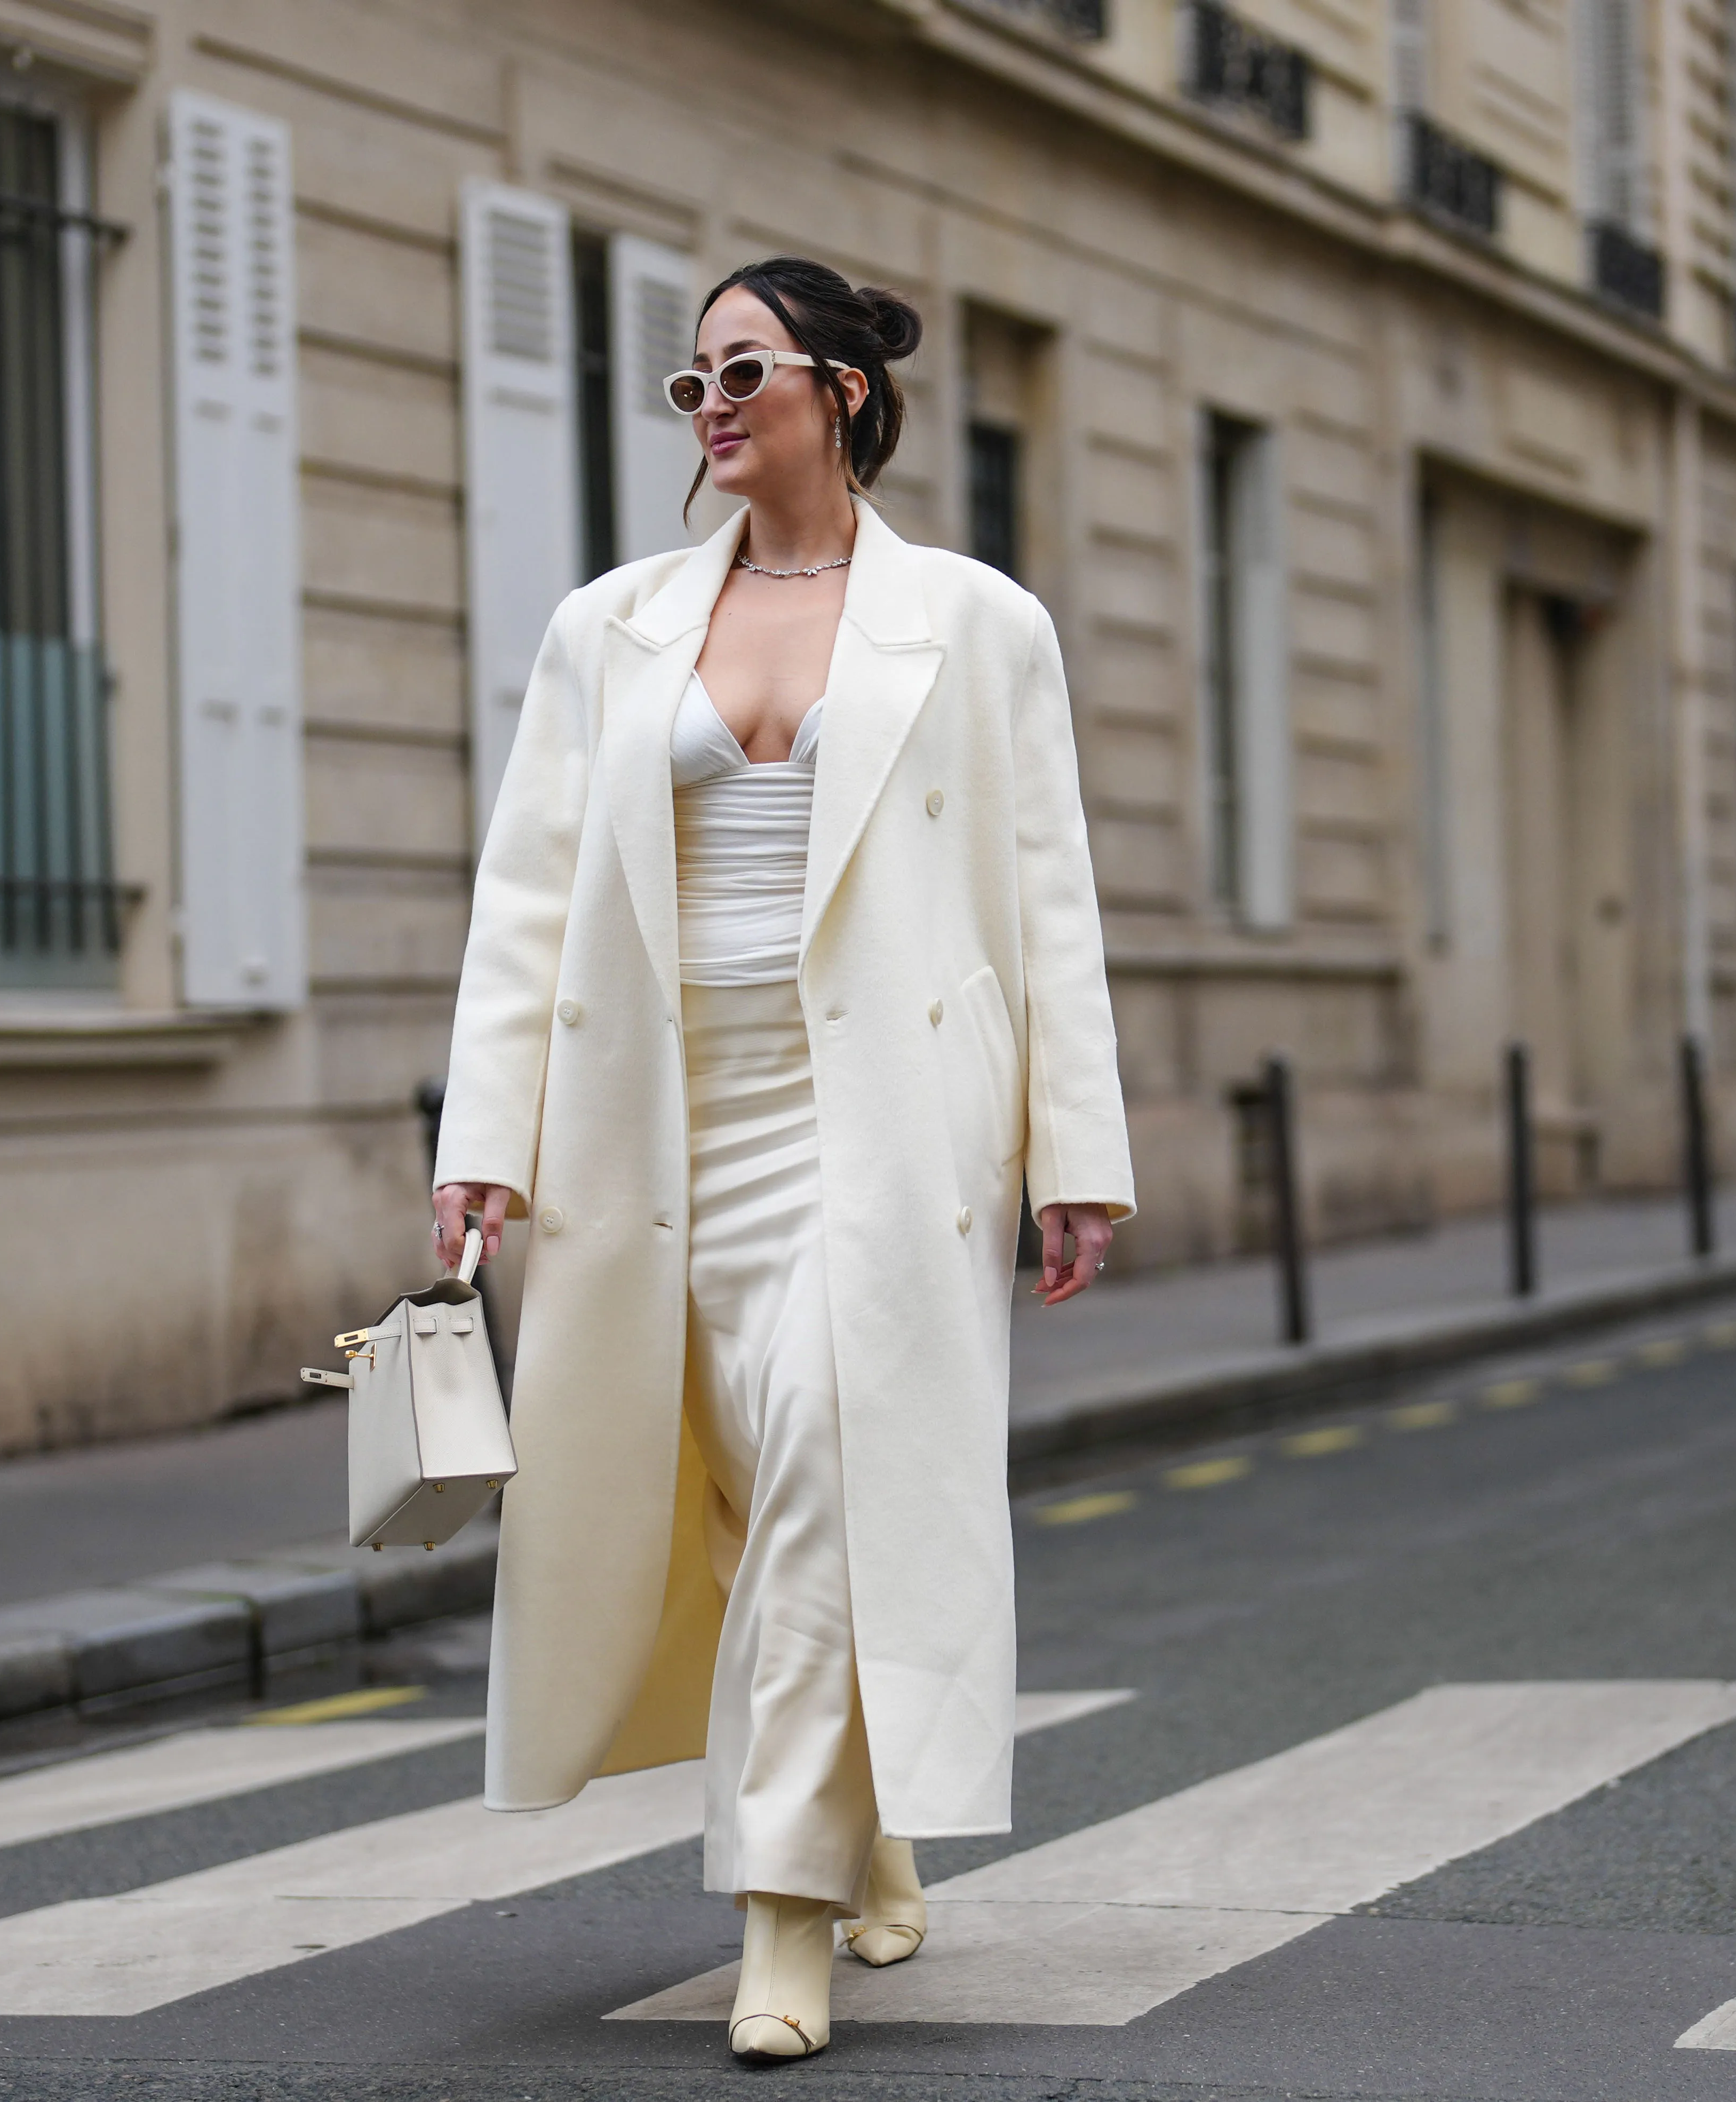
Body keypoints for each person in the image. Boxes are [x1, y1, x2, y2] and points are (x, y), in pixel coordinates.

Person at [428, 258, 1133, 2065]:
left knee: (824, 1467)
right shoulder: (612, 627)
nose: (708, 403)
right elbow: (523, 901)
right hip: (651, 1126)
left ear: (842, 388)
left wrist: (1076, 1145)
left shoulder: (977, 624)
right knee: (741, 1497)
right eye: (689, 382)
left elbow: (1048, 893)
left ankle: (778, 1912)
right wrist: (482, 1141)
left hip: (881, 1125)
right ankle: (865, 1823)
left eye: (738, 368)